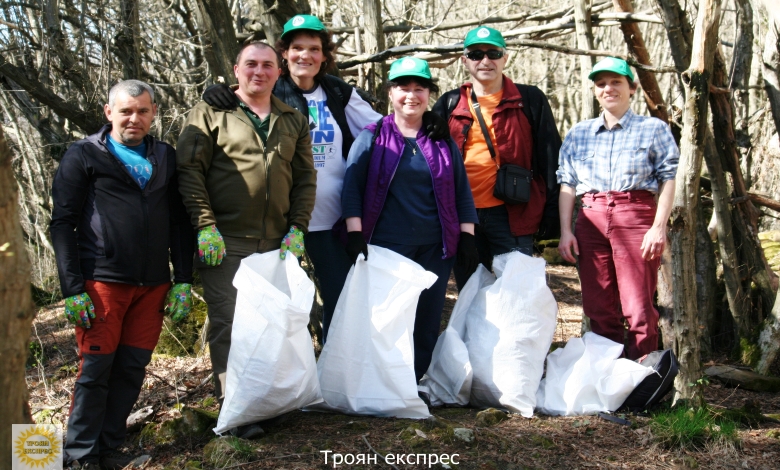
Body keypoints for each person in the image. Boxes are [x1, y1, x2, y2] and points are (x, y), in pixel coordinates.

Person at [202, 15, 447, 343]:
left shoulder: (338, 93)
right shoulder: (270, 89)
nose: (305, 55)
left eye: (314, 49)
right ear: (284, 54)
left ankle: (332, 375)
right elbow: (243, 99)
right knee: (276, 302)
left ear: (324, 55)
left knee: (342, 298)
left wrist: (423, 117)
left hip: (333, 220)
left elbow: (385, 130)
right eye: (297, 48)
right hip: (280, 222)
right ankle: (280, 378)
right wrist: (218, 92)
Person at [51, 80, 194, 470]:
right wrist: (72, 288)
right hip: (101, 282)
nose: (135, 118)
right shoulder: (83, 155)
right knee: (95, 370)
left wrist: (184, 278)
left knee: (131, 368)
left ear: (154, 114)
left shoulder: (164, 155)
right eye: (126, 110)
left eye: (143, 111)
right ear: (108, 111)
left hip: (153, 285)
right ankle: (80, 454)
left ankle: (111, 446)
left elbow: (180, 222)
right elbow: (62, 223)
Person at [176, 41, 316, 433]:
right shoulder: (209, 113)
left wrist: (298, 229)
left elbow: (305, 179)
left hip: (277, 244)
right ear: (236, 69)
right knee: (230, 323)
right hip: (226, 240)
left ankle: (270, 400)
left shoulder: (292, 118)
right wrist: (205, 225)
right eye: (251, 64)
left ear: (279, 72)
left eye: (268, 65)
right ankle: (234, 408)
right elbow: (189, 172)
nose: (259, 71)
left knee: (275, 324)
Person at [342, 57, 479, 382]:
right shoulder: (372, 137)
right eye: (404, 88)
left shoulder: (441, 140)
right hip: (387, 247)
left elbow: (461, 190)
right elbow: (351, 188)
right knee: (388, 319)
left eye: (420, 88)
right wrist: (354, 233)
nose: (411, 95)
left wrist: (468, 235)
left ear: (428, 94)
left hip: (435, 246)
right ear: (391, 92)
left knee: (427, 318)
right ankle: (384, 384)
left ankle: (415, 382)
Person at [557, 57, 679, 360]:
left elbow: (668, 178)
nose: (608, 88)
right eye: (601, 84)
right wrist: (565, 231)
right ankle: (605, 380)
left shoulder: (653, 129)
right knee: (598, 307)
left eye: (616, 82)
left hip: (635, 215)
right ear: (595, 91)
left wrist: (658, 227)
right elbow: (567, 184)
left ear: (632, 88)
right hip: (590, 217)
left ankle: (641, 382)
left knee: (637, 306)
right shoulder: (579, 133)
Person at [432, 26, 562, 290]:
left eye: (493, 53)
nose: (485, 60)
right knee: (470, 291)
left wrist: (552, 210)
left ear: (505, 57)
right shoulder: (449, 103)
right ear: (464, 59)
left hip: (513, 214)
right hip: (463, 216)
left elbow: (550, 155)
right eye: (476, 54)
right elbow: (431, 159)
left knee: (517, 293)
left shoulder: (529, 99)